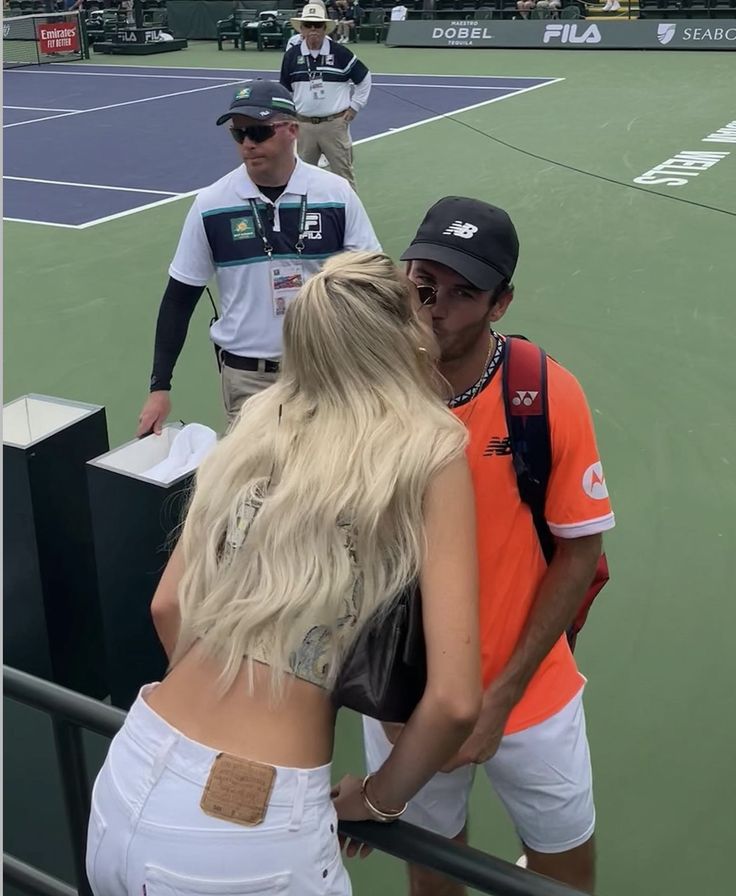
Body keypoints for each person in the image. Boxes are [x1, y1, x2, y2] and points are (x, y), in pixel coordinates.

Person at [87, 252, 482, 895]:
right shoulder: (429, 449)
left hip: (131, 774)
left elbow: (168, 607)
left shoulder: (254, 427)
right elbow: (455, 701)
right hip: (251, 829)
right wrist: (378, 801)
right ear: (403, 338)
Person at [363, 197, 615, 895]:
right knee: (433, 875)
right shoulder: (369, 391)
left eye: (463, 294)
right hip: (406, 702)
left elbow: (579, 554)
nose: (433, 308)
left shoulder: (544, 394)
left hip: (530, 698)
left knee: (565, 877)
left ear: (500, 304)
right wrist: (388, 707)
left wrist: (498, 701)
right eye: (422, 285)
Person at [136, 80, 379, 436]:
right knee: (255, 488)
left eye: (259, 132)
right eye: (239, 134)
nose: (248, 144)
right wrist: (160, 387)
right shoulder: (212, 204)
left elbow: (370, 284)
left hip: (325, 372)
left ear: (292, 130)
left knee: (326, 483)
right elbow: (179, 298)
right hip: (248, 382)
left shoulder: (336, 194)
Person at [280, 3, 371, 191]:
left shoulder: (340, 53)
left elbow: (364, 77)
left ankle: (347, 218)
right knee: (301, 177)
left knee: (343, 177)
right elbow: (286, 89)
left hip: (334, 125)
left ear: (324, 28)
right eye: (308, 24)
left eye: (318, 25)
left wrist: (355, 106)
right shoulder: (291, 55)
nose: (313, 29)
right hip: (303, 126)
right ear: (301, 29)